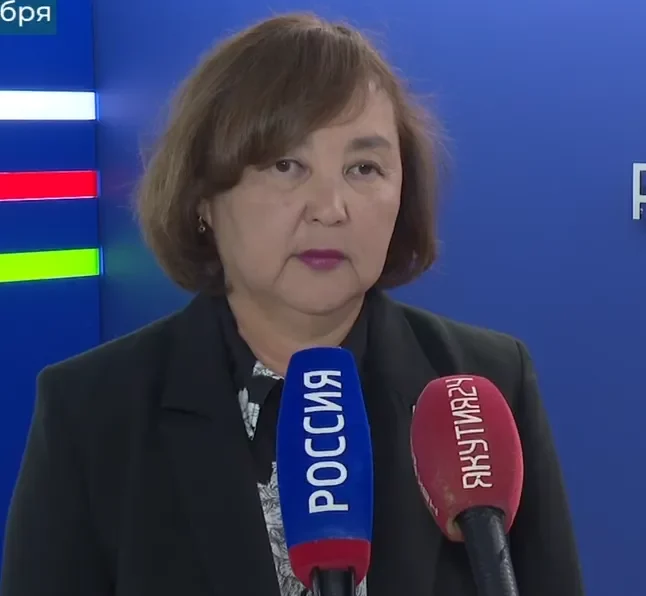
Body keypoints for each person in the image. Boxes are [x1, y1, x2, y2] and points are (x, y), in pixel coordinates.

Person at [0, 12, 583, 596]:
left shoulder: (482, 386)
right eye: (286, 165)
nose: (330, 208)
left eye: (363, 168)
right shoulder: (92, 413)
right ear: (203, 198)